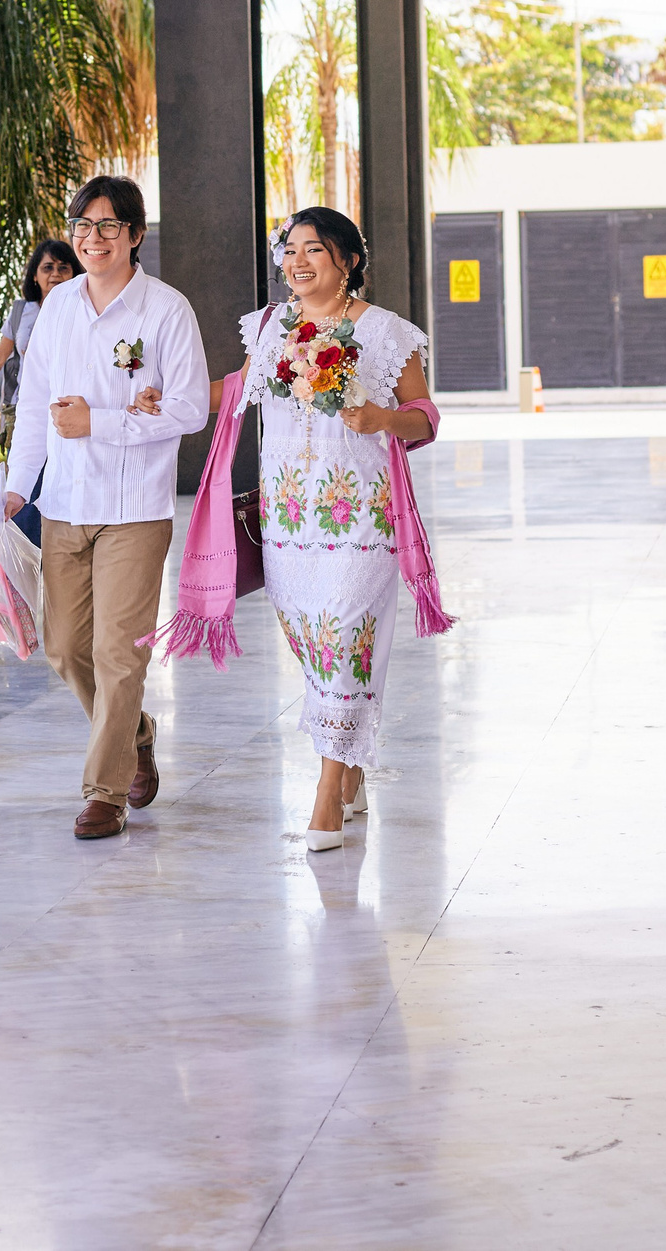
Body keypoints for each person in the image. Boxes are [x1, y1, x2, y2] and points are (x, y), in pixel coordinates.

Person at [142, 207, 437, 851]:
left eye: (314, 250)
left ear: (348, 261)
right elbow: (231, 392)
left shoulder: (387, 334)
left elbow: (425, 416)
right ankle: (350, 759)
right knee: (314, 645)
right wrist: (166, 394)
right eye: (290, 250)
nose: (297, 262)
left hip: (360, 518)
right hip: (287, 522)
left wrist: (383, 418)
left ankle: (327, 793)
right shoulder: (270, 327)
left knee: (343, 640)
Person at [2, 176, 208, 840]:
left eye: (107, 227)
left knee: (120, 652)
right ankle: (136, 732)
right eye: (81, 226)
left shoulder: (166, 311)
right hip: (63, 501)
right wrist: (16, 484)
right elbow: (35, 405)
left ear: (136, 235)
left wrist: (106, 420)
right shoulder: (57, 307)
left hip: (135, 506)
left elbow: (191, 406)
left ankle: (104, 792)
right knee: (64, 647)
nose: (91, 238)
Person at [0, 239, 83, 439]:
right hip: (23, 410)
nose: (55, 274)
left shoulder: (84, 310)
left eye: (63, 268)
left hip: (68, 410)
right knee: (22, 468)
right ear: (35, 275)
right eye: (47, 267)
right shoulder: (20, 312)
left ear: (74, 274)